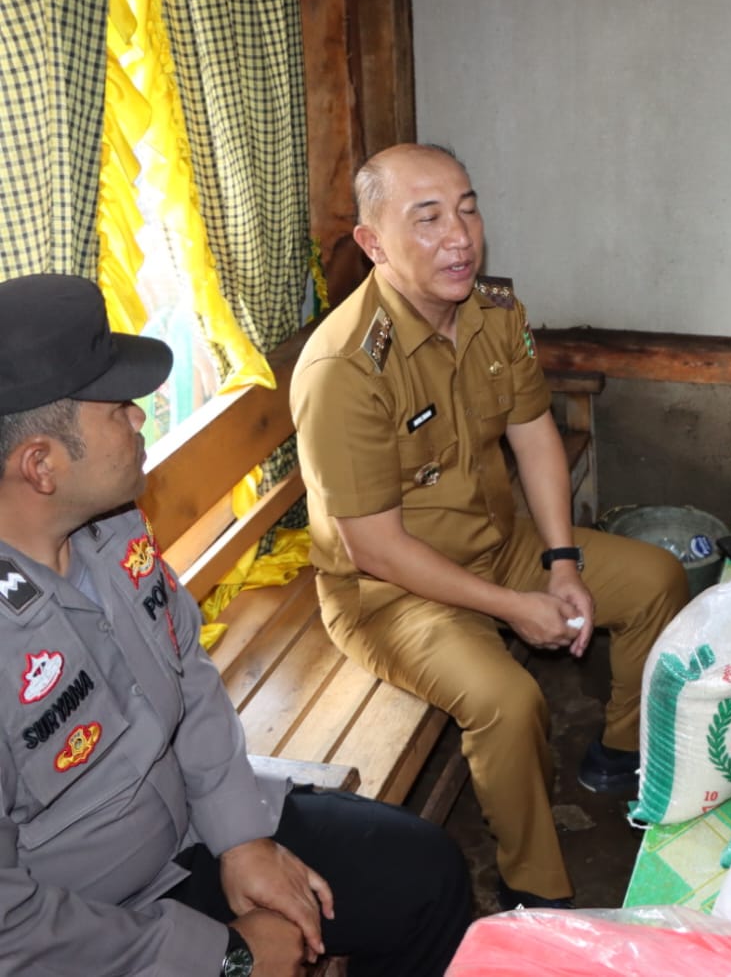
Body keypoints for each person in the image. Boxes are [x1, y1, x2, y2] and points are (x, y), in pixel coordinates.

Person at [0, 274, 472, 977]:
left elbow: (186, 672)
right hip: (88, 927)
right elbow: (12, 927)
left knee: (423, 874)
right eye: (116, 410)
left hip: (188, 825)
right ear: (41, 464)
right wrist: (224, 957)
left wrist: (240, 836)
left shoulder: (109, 521)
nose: (139, 419)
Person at [290, 143, 691, 910]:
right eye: (428, 218)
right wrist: (514, 608)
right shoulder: (343, 368)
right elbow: (372, 545)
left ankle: (619, 753)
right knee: (508, 703)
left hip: (497, 542)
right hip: (391, 594)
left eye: (468, 208)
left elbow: (534, 430)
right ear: (372, 243)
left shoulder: (491, 310)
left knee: (657, 581)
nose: (460, 236)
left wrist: (562, 559)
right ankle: (533, 890)